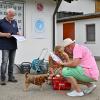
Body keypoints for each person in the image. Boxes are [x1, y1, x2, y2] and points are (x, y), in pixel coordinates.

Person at [0, 8, 20, 85]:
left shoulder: (14, 22)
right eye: (11, 15)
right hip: (5, 45)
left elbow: (16, 31)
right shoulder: (1, 22)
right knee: (4, 62)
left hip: (13, 45)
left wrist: (18, 34)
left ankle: (11, 77)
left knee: (12, 62)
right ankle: (2, 79)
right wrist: (5, 34)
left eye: (13, 16)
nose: (12, 17)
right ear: (7, 14)